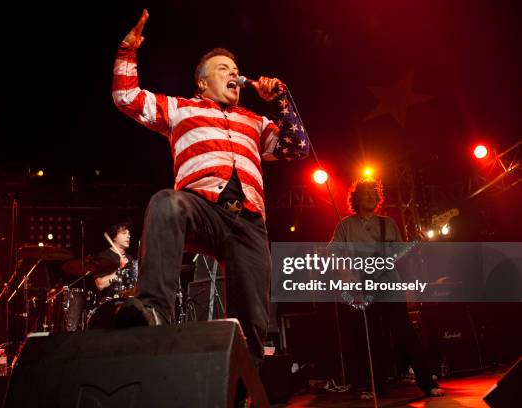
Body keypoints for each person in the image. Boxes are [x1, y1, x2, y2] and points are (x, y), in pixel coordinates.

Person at [111, 9, 309, 364]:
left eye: (235, 70)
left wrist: (280, 98)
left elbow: (297, 147)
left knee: (253, 320)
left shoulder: (255, 122)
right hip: (202, 207)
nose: (233, 74)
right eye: (223, 69)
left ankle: (243, 379)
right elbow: (127, 98)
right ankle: (155, 310)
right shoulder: (181, 110)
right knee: (166, 203)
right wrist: (127, 51)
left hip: (247, 220)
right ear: (202, 83)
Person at [331, 178, 445, 397]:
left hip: (390, 286)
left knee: (405, 332)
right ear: (356, 198)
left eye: (375, 193)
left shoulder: (388, 224)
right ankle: (377, 388)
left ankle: (427, 383)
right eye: (366, 193)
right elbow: (333, 252)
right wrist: (346, 274)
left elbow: (399, 254)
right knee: (373, 337)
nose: (372, 197)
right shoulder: (345, 225)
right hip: (364, 287)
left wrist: (415, 243)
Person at [93, 222, 136, 300]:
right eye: (124, 233)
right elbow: (100, 285)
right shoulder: (104, 257)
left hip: (127, 301)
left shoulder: (130, 258)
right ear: (114, 237)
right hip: (110, 302)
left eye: (129, 234)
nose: (128, 236)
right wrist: (121, 269)